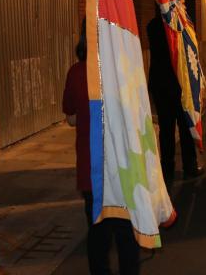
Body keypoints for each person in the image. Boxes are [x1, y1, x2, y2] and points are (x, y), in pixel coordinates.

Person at [63, 30, 141, 275]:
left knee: (97, 235)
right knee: (125, 234)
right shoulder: (123, 70)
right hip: (122, 168)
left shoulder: (76, 72)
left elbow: (71, 119)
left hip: (92, 170)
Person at [147, 10, 203, 181]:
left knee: (166, 129)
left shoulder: (152, 26)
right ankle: (189, 166)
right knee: (184, 126)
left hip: (161, 84)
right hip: (178, 84)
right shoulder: (179, 27)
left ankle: (167, 168)